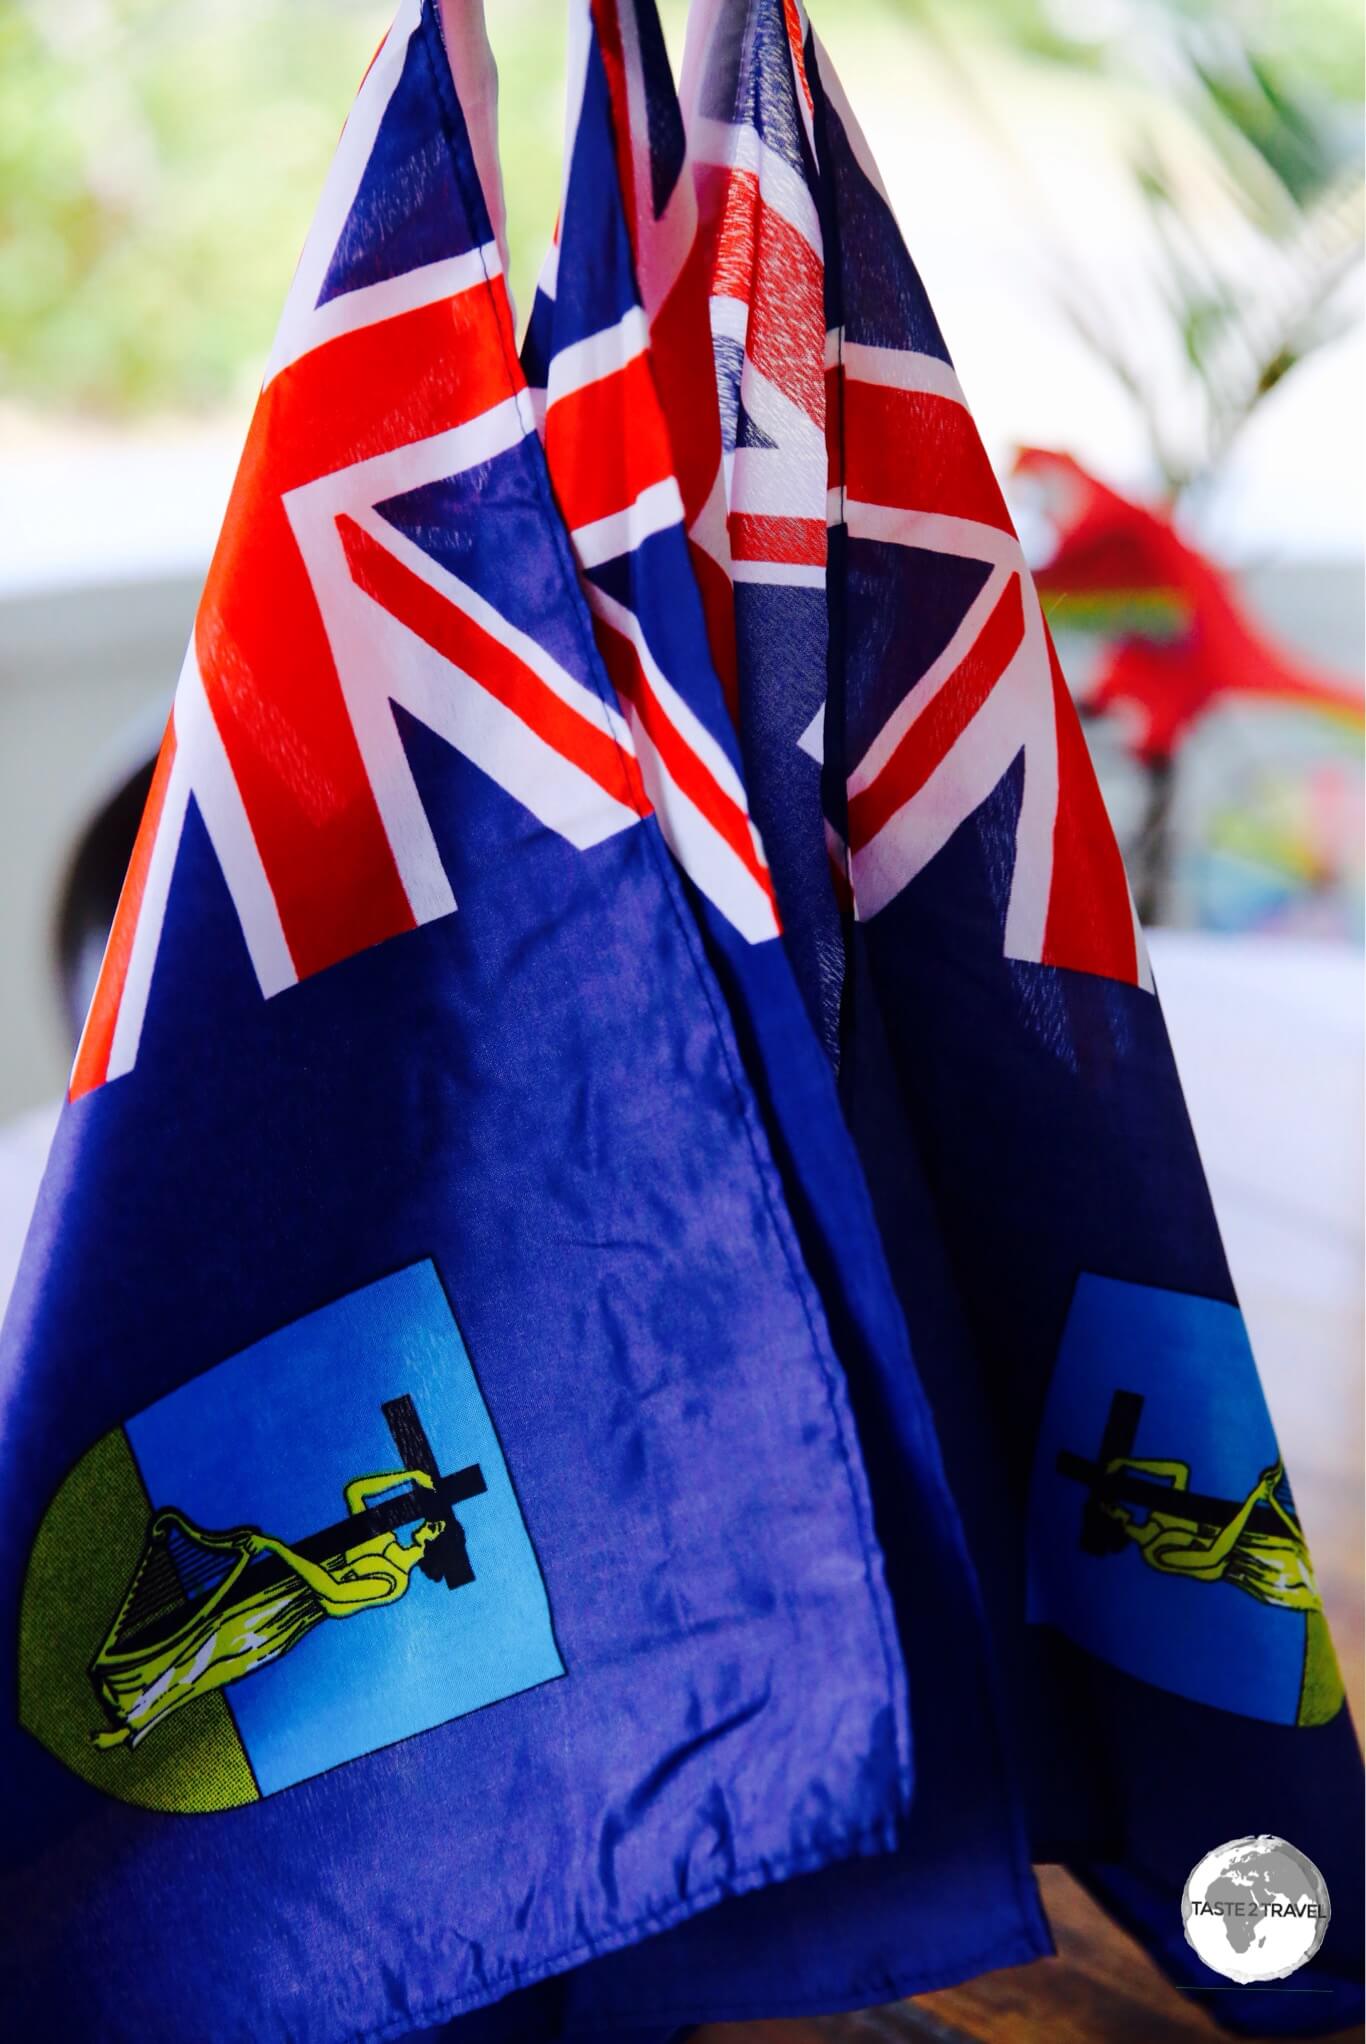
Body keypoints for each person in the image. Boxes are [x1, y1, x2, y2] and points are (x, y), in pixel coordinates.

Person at [92, 1469, 468, 1749]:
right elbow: (356, 1491)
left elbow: (334, 1596)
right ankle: (126, 1689)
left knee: (208, 1665)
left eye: (438, 1530)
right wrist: (410, 1476)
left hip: (286, 1618)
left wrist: (278, 1548)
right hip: (280, 1592)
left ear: (437, 1549)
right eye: (434, 1522)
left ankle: (132, 1725)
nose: (431, 1525)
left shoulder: (394, 1581)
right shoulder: (382, 1538)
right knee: (199, 1639)